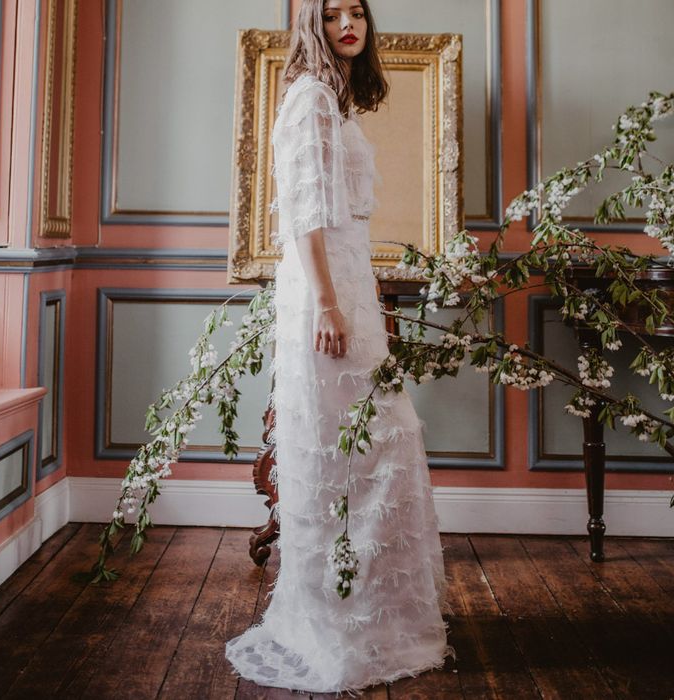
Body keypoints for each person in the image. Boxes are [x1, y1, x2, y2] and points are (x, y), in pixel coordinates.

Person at [225, 0, 454, 693]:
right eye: (332, 15)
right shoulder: (311, 98)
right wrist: (328, 303)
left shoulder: (337, 101)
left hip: (349, 277)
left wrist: (351, 291)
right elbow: (305, 213)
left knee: (366, 448)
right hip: (325, 289)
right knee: (345, 449)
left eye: (357, 12)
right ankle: (335, 623)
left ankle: (367, 615)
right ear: (312, 28)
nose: (348, 24)